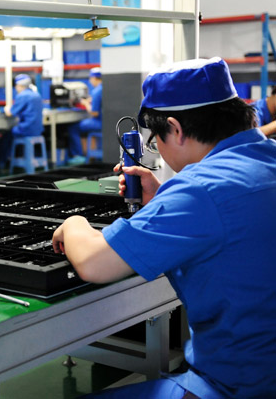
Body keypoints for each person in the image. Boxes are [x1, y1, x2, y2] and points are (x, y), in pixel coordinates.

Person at [51, 57, 276, 399]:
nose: (159, 148)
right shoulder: (266, 157)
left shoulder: (200, 189)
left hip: (239, 387)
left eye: (157, 140)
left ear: (176, 128)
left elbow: (95, 262)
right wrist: (163, 199)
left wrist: (73, 224)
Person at [0, 74, 44, 170]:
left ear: (19, 85)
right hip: (38, 130)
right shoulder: (37, 95)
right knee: (11, 135)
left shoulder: (22, 96)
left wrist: (5, 109)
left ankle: (1, 164)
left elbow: (11, 113)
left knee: (5, 138)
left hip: (26, 129)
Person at [67, 67, 103, 163]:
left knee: (73, 128)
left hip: (98, 122)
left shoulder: (96, 91)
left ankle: (78, 155)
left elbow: (94, 113)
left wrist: (85, 103)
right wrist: (89, 100)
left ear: (94, 78)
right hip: (106, 121)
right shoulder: (103, 88)